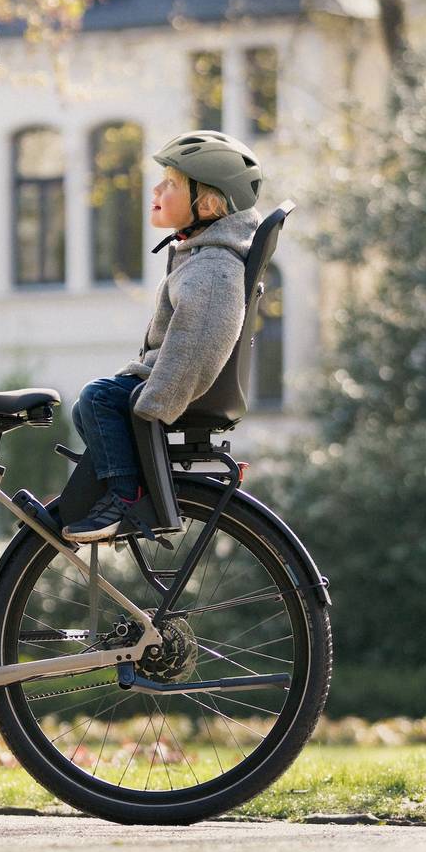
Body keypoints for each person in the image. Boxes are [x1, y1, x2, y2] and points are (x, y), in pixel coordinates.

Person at [64, 129, 263, 545]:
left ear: (206, 202)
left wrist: (155, 402)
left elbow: (197, 346)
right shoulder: (200, 255)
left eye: (171, 183)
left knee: (98, 399)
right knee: (90, 405)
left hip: (172, 388)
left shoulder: (212, 268)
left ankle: (126, 497)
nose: (156, 189)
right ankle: (117, 489)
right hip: (161, 380)